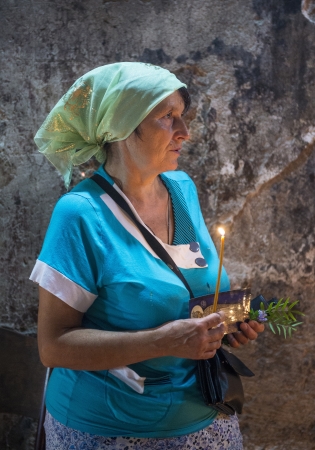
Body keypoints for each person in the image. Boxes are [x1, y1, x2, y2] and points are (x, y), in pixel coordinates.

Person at [30, 62, 264, 450]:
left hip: (205, 416)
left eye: (182, 117)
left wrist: (227, 322)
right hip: (109, 430)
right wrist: (161, 341)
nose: (184, 133)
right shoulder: (81, 215)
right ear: (122, 127)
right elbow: (53, 346)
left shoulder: (181, 189)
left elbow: (190, 279)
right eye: (166, 118)